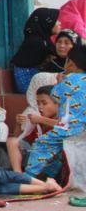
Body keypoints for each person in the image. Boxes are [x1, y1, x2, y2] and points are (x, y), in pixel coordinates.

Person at [26, 44, 86, 179]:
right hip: (83, 128)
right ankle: (51, 179)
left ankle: (29, 178)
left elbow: (56, 96)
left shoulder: (70, 79)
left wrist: (59, 82)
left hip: (70, 128)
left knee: (42, 144)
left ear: (71, 63)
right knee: (59, 151)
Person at [7, 77, 59, 173]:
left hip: (52, 161)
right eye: (38, 103)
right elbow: (19, 141)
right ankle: (18, 174)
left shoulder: (62, 120)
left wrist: (41, 119)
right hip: (34, 157)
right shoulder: (38, 123)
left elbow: (65, 126)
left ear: (58, 104)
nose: (40, 107)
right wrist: (18, 125)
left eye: (44, 103)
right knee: (12, 141)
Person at [10, 7, 59, 93]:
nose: (59, 23)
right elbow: (59, 53)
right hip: (27, 81)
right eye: (56, 21)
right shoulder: (37, 41)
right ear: (47, 23)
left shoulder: (42, 39)